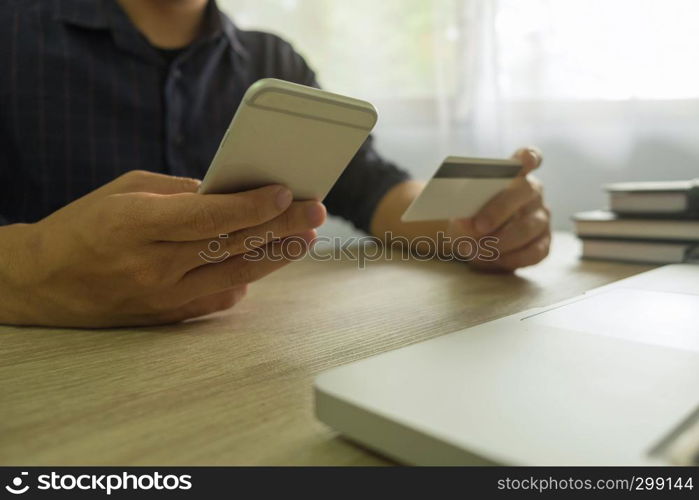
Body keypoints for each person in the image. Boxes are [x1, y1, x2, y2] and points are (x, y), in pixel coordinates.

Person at [0, 0, 551, 327]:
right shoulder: (14, 33)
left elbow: (371, 186)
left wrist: (470, 224)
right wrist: (29, 268)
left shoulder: (273, 60)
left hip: (238, 366)